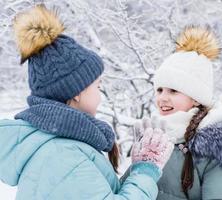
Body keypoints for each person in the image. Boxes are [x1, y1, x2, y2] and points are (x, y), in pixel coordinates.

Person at [0, 5, 174, 200]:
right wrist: (145, 172)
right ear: (77, 92)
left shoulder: (62, 145)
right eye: (97, 86)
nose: (100, 96)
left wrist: (139, 168)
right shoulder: (62, 155)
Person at [134, 26, 222, 200]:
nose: (163, 98)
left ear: (196, 98)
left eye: (173, 91)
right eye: (159, 90)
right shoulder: (154, 138)